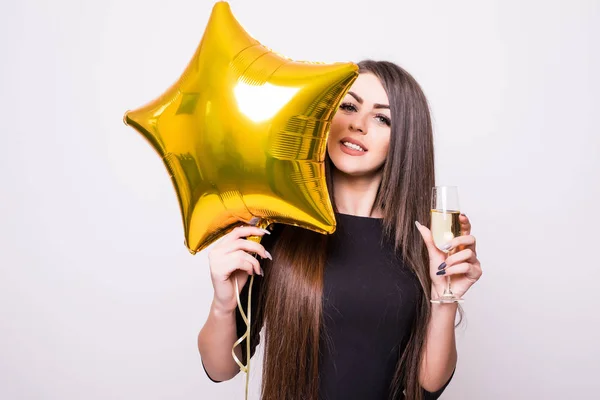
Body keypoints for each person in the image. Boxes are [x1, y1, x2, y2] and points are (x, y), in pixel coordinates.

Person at [197, 60, 482, 400]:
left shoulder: (422, 242)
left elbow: (426, 386)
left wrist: (445, 296)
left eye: (381, 118)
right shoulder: (280, 225)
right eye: (347, 106)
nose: (357, 125)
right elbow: (221, 368)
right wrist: (223, 304)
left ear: (405, 139)